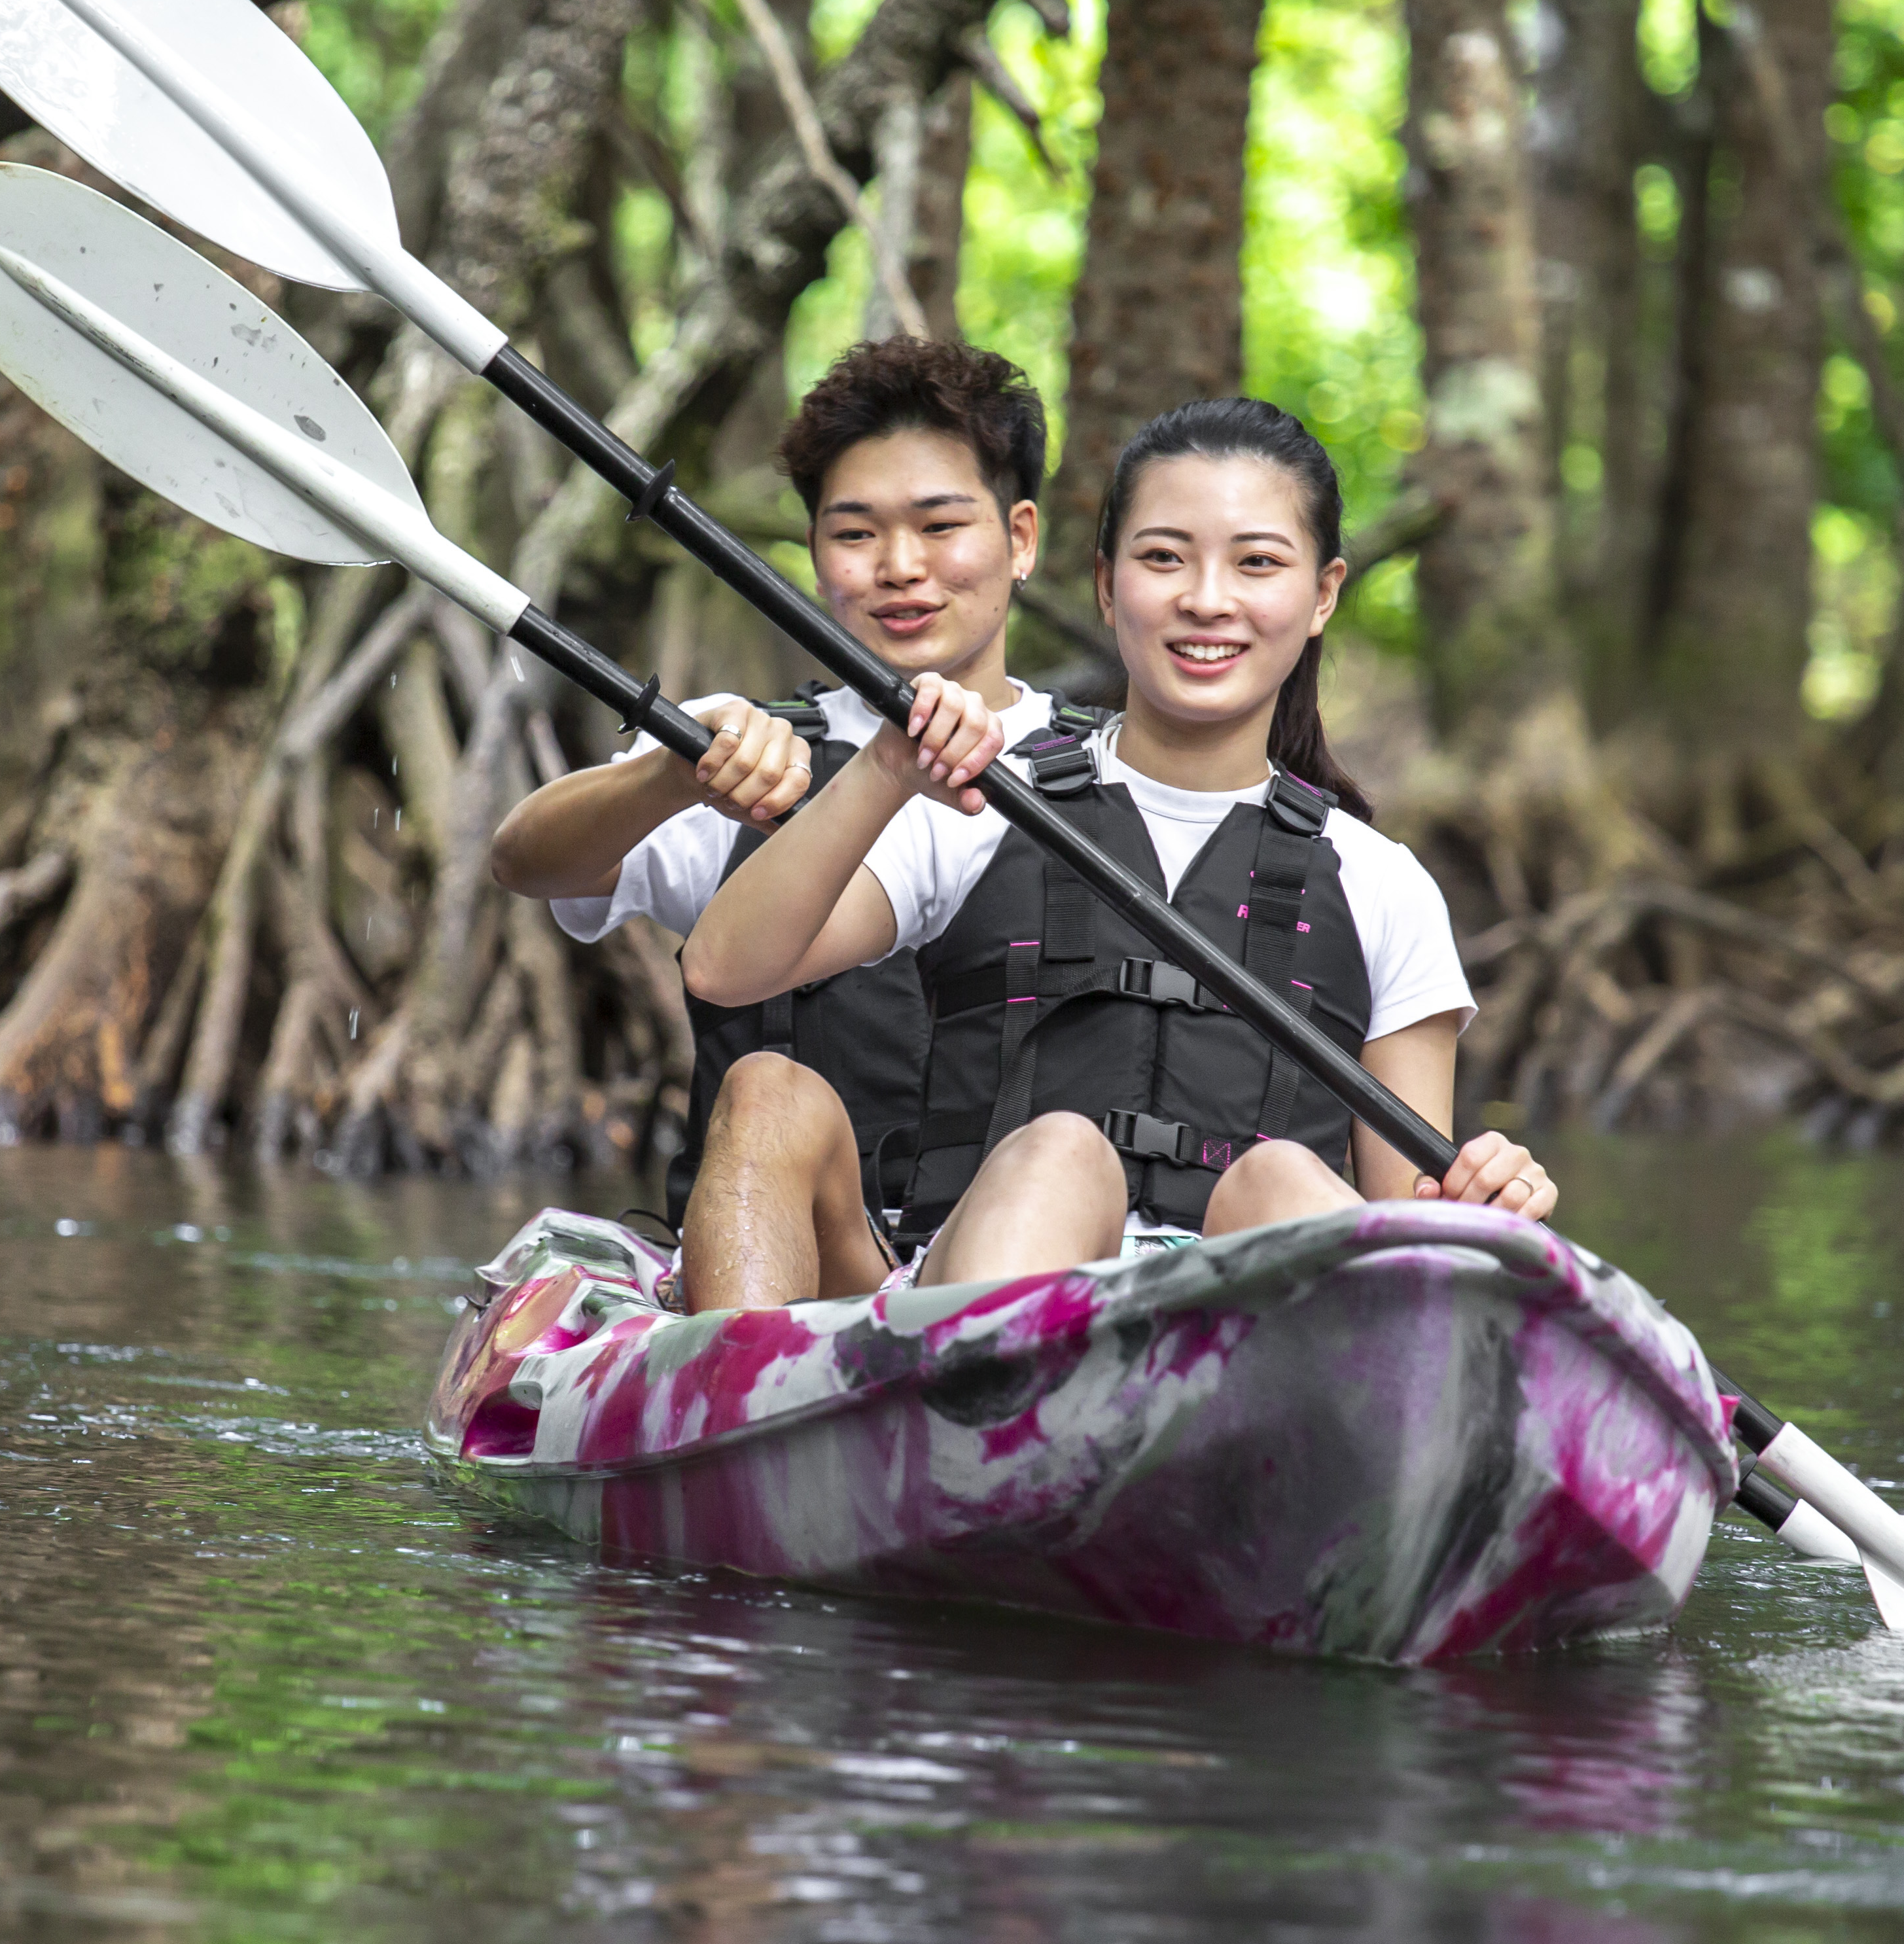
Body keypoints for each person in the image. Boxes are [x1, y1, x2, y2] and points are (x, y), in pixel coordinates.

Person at [680, 395, 1553, 1301]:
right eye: (1163, 558)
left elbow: (1405, 1218)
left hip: (1241, 1336)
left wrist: (1479, 1201)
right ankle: (843, 1408)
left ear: (1324, 593)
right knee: (802, 1097)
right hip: (973, 1294)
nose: (1206, 601)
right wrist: (885, 770)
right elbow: (723, 967)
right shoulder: (985, 800)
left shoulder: (1382, 882)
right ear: (1106, 584)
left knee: (1280, 1180)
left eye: (1256, 563)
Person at [486, 338, 1074, 1290]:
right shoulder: (743, 748)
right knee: (765, 1094)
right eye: (854, 534)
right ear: (812, 554)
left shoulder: (1108, 772)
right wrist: (672, 775)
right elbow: (526, 862)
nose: (899, 567)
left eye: (940, 526)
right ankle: (733, 1391)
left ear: (1021, 539)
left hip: (1014, 1270)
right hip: (786, 1263)